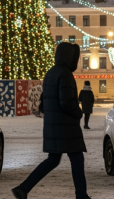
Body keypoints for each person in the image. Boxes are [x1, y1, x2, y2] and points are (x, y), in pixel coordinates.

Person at [12, 43, 91, 199]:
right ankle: (81, 195)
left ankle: (23, 188)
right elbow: (66, 102)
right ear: (70, 57)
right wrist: (79, 113)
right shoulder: (65, 74)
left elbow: (43, 103)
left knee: (53, 160)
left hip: (54, 126)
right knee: (76, 159)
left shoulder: (50, 74)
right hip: (66, 127)